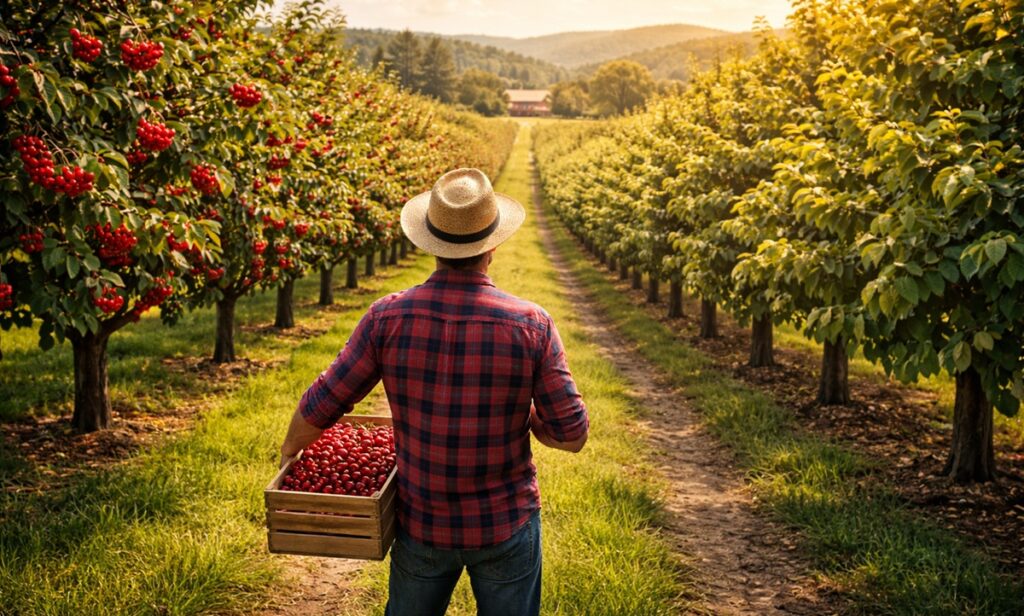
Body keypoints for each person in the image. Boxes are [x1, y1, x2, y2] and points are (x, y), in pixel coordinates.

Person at [279, 167, 589, 616]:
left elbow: (326, 398)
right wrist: (531, 420)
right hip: (505, 523)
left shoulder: (387, 317)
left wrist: (291, 448)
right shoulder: (531, 324)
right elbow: (573, 435)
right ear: (493, 245)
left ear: (429, 242)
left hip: (423, 525)